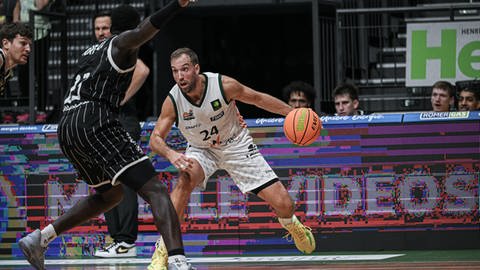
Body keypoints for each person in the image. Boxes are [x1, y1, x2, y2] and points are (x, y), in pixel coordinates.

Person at [18, 2, 196, 270]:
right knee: (157, 190)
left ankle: (41, 238)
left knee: (109, 195)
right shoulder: (122, 43)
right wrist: (176, 6)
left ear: (111, 26)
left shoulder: (89, 51)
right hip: (95, 120)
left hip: (67, 126)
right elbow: (144, 29)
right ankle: (178, 261)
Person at [147, 47, 316, 269]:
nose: (180, 76)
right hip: (201, 149)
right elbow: (155, 139)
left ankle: (291, 224)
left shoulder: (223, 85)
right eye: (175, 71)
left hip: (236, 144)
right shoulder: (173, 100)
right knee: (185, 178)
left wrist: (291, 113)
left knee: (285, 204)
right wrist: (171, 153)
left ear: (196, 69)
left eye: (185, 69)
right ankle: (164, 249)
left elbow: (257, 98)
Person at [91, 10, 149, 258]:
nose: (101, 32)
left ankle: (125, 241)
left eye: (105, 28)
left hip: (122, 121)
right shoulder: (99, 53)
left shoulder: (121, 47)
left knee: (124, 180)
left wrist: (119, 100)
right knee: (107, 182)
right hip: (103, 124)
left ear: (113, 29)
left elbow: (143, 70)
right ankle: (118, 240)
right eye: (97, 29)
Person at [13, 0, 52, 123]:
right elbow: (18, 4)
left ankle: (41, 110)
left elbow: (40, 5)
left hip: (40, 33)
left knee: (40, 73)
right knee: (23, 73)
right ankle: (25, 109)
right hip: (24, 34)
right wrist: (16, 19)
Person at [0, 22, 32, 96]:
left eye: (29, 45)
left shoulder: (8, 70)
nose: (28, 49)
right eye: (23, 43)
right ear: (6, 44)